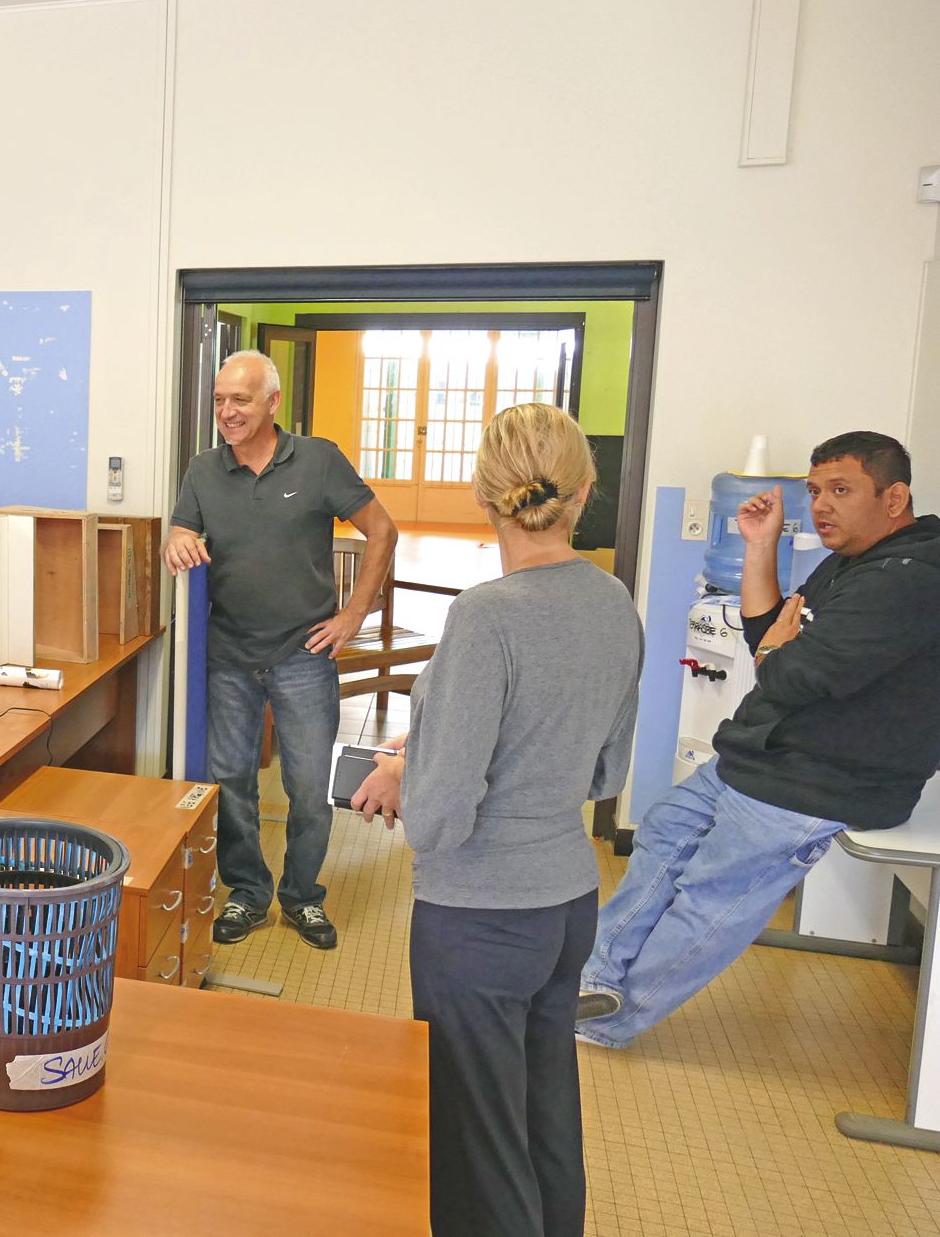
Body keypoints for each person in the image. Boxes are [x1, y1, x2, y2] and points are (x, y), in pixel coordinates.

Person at [349, 402, 641, 1237]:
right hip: (565, 906)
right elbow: (603, 770)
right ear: (584, 493)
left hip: (479, 918)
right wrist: (434, 742)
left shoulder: (485, 614)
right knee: (543, 1113)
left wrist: (408, 776)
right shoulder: (612, 601)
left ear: (482, 496)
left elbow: (440, 819)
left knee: (475, 1142)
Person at [577, 431, 940, 1047]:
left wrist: (779, 650)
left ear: (895, 495)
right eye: (816, 490)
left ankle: (608, 1023)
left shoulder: (909, 578)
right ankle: (595, 977)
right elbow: (767, 639)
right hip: (767, 754)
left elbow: (794, 670)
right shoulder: (859, 560)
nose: (821, 504)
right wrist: (762, 546)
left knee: (710, 895)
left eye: (841, 490)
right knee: (665, 828)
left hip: (821, 778)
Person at [166, 350, 397, 949]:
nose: (226, 411)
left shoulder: (318, 461)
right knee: (232, 783)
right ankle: (246, 893)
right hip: (228, 656)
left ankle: (301, 897)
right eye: (219, 400)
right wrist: (176, 540)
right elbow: (181, 532)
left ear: (272, 403)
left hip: (303, 655)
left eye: (240, 400)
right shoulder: (202, 470)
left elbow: (383, 529)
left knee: (308, 787)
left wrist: (353, 613)